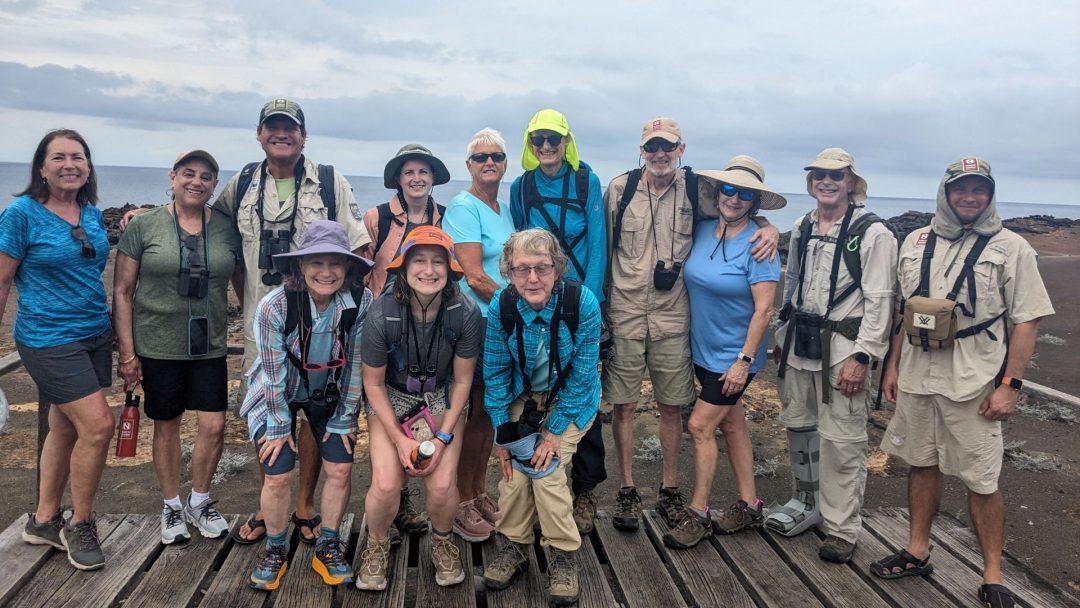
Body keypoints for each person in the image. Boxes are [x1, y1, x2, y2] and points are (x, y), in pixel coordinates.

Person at [871, 158, 1053, 608]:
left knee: (982, 480)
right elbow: (905, 313)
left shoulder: (1012, 247)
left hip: (973, 382)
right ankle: (917, 550)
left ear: (989, 194)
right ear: (946, 192)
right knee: (920, 464)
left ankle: (993, 576)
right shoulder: (914, 241)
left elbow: (1027, 320)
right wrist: (892, 368)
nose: (969, 197)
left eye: (979, 189)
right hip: (917, 376)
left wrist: (1010, 384)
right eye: (961, 189)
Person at [603, 117, 778, 531]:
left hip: (673, 318)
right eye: (652, 147)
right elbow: (601, 244)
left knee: (672, 407)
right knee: (624, 406)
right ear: (641, 149)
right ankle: (627, 490)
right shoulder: (618, 189)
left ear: (681, 149)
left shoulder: (698, 189)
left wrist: (769, 227)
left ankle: (670, 490)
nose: (660, 154)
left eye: (668, 147)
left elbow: (736, 216)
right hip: (626, 313)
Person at [209, 99, 371, 545]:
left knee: (317, 406)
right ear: (259, 133)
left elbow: (357, 246)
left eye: (290, 128)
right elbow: (208, 227)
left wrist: (357, 303)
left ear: (303, 135)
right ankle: (272, 504)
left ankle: (304, 505)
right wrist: (147, 218)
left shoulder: (331, 183)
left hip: (321, 315)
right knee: (269, 401)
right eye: (272, 127)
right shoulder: (240, 184)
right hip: (266, 315)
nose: (282, 134)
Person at [769, 148, 897, 563]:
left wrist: (864, 357)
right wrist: (780, 335)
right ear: (811, 183)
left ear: (850, 182)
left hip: (843, 350)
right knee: (800, 427)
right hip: (800, 344)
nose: (827, 182)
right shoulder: (803, 225)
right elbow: (791, 286)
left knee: (843, 441)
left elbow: (881, 301)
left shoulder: (873, 234)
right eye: (820, 175)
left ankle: (842, 528)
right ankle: (807, 504)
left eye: (836, 176)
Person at [113, 150, 241, 544]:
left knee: (214, 425)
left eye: (206, 176)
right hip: (157, 343)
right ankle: (171, 505)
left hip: (209, 344)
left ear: (214, 185)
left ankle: (199, 501)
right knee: (166, 426)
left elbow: (241, 281)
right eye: (189, 173)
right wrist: (128, 354)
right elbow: (122, 291)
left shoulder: (225, 227)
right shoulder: (144, 225)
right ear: (172, 177)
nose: (196, 182)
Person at [2, 129, 113, 571]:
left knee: (62, 426)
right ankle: (80, 523)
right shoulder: (21, 213)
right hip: (48, 338)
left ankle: (44, 518)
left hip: (93, 334)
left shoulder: (90, 213)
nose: (71, 164)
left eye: (79, 157)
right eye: (60, 157)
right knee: (99, 425)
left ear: (88, 167)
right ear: (42, 168)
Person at [240, 220, 372, 590]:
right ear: (300, 266)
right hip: (275, 394)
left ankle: (328, 543)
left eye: (335, 263)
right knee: (278, 471)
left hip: (328, 392)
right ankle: (276, 547)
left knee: (341, 467)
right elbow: (271, 372)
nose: (326, 272)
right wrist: (280, 426)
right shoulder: (273, 307)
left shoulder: (362, 303)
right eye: (316, 263)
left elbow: (356, 364)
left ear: (348, 268)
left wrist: (346, 417)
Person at [663, 157, 783, 549]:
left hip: (735, 357)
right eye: (728, 189)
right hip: (703, 351)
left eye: (745, 193)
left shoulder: (760, 246)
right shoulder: (701, 230)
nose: (734, 198)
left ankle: (698, 513)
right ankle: (750, 505)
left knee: (699, 426)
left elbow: (765, 310)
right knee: (732, 425)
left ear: (755, 202)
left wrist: (744, 361)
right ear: (718, 193)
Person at [481, 229, 600, 606]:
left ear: (557, 268)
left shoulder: (582, 304)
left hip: (571, 401)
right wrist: (502, 433)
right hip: (524, 397)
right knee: (514, 474)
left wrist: (552, 434)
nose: (533, 278)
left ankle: (563, 554)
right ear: (509, 273)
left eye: (542, 268)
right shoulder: (502, 306)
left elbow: (583, 376)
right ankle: (514, 545)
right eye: (522, 269)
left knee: (547, 473)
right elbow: (496, 374)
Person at [356, 226, 479, 591]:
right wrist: (397, 439)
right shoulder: (382, 314)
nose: (429, 270)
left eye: (438, 261)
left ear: (450, 267)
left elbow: (462, 381)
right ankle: (377, 543)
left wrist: (442, 437)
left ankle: (442, 540)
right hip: (391, 397)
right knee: (385, 484)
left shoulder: (464, 312)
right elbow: (373, 383)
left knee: (441, 485)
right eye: (419, 261)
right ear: (403, 267)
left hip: (441, 398)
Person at [509, 109, 607, 534]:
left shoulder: (586, 180)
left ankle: (583, 490)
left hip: (579, 301)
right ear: (530, 145)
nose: (547, 147)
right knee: (539, 387)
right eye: (538, 140)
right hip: (538, 299)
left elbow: (599, 241)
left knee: (584, 389)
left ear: (567, 142)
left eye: (554, 139)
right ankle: (540, 485)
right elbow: (520, 244)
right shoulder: (521, 186)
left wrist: (595, 301)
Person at [362, 144, 451, 538]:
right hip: (385, 328)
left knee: (426, 413)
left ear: (433, 178)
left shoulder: (446, 218)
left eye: (424, 171)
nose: (417, 178)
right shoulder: (376, 218)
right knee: (384, 406)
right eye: (409, 171)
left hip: (431, 329)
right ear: (397, 178)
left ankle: (411, 500)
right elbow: (363, 273)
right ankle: (397, 502)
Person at [441, 128, 515, 542]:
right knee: (469, 416)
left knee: (489, 413)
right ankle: (460, 502)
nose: (489, 162)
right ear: (468, 165)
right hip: (476, 324)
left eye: (497, 156)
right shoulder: (463, 207)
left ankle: (478, 490)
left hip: (500, 324)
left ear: (505, 164)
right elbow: (472, 274)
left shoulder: (503, 209)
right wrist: (520, 305)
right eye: (481, 156)